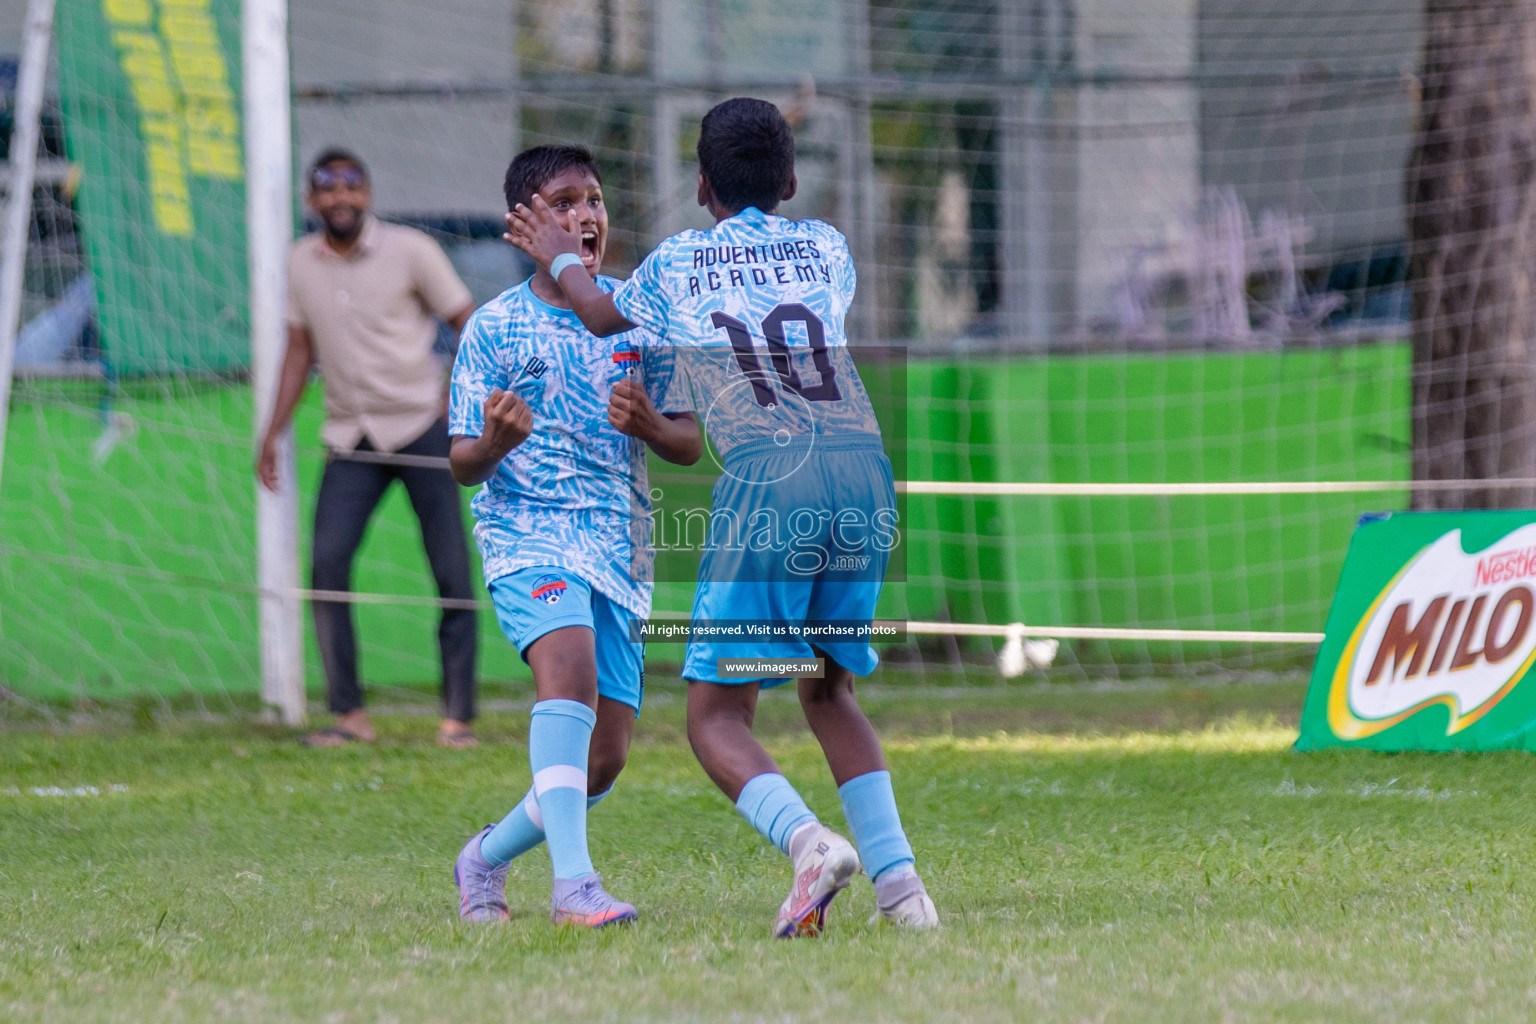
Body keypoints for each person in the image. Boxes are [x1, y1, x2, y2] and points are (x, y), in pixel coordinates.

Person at [507, 98, 939, 936]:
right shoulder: (825, 246)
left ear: (699, 183)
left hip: (772, 476)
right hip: (863, 467)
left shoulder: (674, 265)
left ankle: (810, 845)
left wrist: (563, 256)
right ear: (790, 180)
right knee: (828, 690)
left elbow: (598, 317)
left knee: (715, 715)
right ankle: (905, 894)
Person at [448, 145, 701, 927]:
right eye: (564, 201)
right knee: (569, 671)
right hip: (528, 536)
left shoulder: (637, 316)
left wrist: (652, 424)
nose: (586, 213)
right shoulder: (491, 328)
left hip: (620, 550)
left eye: (593, 199)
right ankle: (575, 888)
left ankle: (483, 857)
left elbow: (689, 442)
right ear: (525, 225)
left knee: (603, 758)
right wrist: (493, 444)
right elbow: (461, 461)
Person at [256, 148, 481, 749]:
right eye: (327, 190)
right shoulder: (300, 262)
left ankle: (458, 718)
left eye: (351, 188)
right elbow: (298, 351)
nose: (340, 199)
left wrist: (457, 394)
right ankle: (349, 716)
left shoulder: (412, 251)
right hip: (349, 436)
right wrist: (272, 434)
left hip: (420, 427)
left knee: (451, 573)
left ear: (368, 194)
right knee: (327, 569)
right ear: (312, 202)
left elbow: (471, 324)